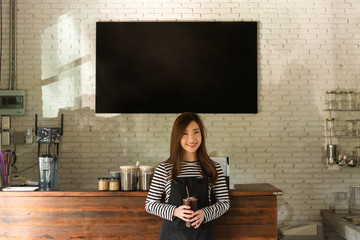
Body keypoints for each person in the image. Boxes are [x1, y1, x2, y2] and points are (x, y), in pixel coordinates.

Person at [145, 112, 230, 240]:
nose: (191, 139)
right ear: (177, 137)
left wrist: (205, 213)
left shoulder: (213, 168)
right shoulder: (165, 168)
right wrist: (175, 211)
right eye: (185, 133)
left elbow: (224, 202)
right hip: (171, 235)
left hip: (202, 234)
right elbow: (150, 204)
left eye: (196, 132)